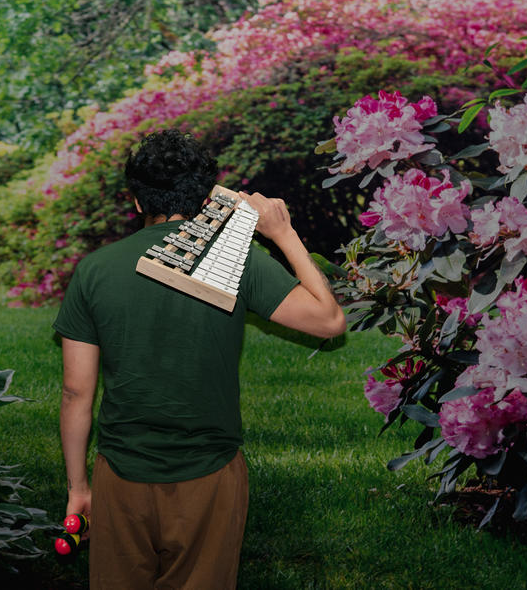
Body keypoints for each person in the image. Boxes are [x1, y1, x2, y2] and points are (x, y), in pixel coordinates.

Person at [53, 128, 345, 589]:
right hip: (209, 476)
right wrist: (283, 234)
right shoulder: (239, 261)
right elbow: (329, 321)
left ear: (135, 201)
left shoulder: (94, 269)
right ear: (209, 197)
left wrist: (78, 489)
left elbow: (76, 393)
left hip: (120, 475)